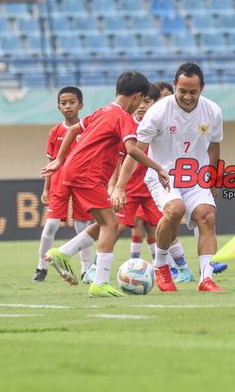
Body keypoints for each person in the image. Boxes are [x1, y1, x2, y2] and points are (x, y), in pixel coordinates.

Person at [42, 72, 170, 297]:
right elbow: (132, 150)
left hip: (74, 170)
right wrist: (158, 168)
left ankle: (63, 252)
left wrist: (59, 160)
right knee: (111, 225)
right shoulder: (124, 118)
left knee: (104, 222)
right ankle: (99, 282)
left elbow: (72, 129)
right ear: (138, 97)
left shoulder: (103, 110)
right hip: (87, 174)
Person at [114, 63, 224, 293]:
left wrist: (213, 179)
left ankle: (207, 279)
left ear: (202, 88)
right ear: (175, 85)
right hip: (162, 175)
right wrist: (120, 187)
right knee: (175, 210)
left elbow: (214, 147)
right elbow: (136, 151)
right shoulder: (158, 111)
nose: (186, 96)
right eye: (182, 90)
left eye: (193, 91)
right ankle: (161, 267)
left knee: (208, 217)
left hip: (195, 177)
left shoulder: (212, 111)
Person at [32, 87, 93, 283]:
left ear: (81, 105)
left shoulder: (88, 130)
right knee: (51, 224)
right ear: (58, 107)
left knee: (82, 226)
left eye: (71, 102)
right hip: (59, 182)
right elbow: (51, 163)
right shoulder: (55, 131)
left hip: (81, 182)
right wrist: (46, 189)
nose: (67, 106)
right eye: (63, 103)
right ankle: (41, 267)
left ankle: (86, 270)